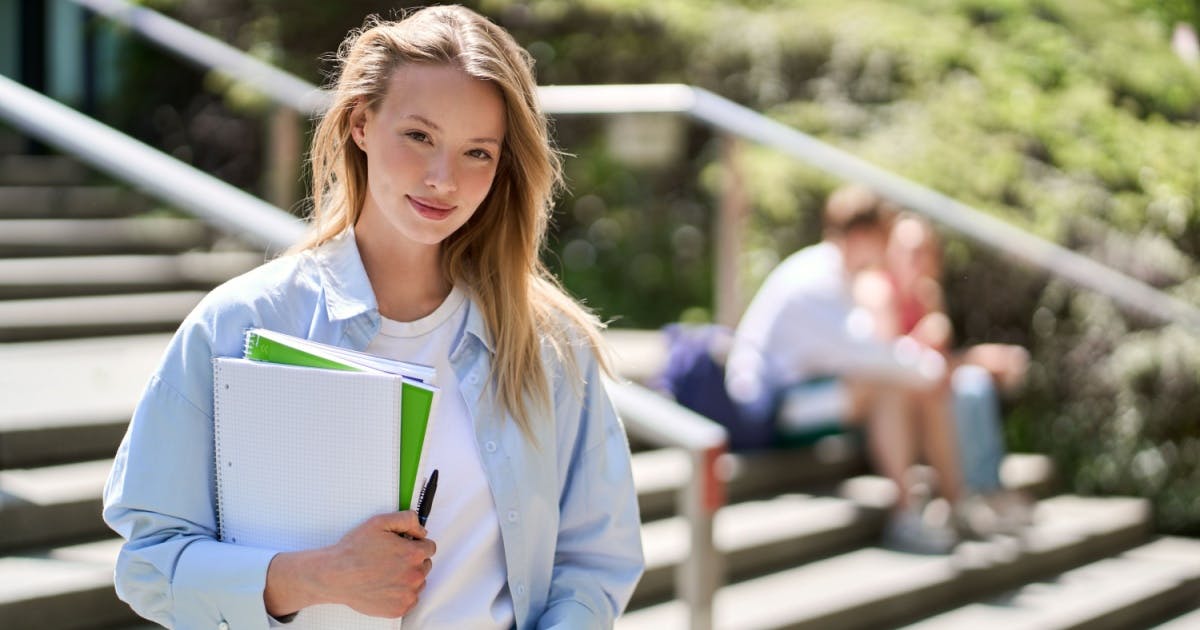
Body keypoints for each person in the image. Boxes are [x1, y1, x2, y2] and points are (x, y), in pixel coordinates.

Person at [102, 7, 644, 629]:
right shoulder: (239, 326)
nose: (444, 179)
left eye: (477, 153)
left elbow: (596, 561)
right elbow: (148, 564)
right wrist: (317, 576)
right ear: (361, 122)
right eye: (419, 136)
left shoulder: (549, 346)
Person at [724, 185, 965, 554]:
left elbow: (868, 350)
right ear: (863, 236)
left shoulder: (833, 273)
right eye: (883, 237)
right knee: (889, 387)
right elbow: (868, 354)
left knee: (898, 385)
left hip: (804, 394)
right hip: (770, 410)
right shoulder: (814, 281)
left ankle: (947, 502)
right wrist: (931, 369)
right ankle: (910, 509)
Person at [857, 212, 1031, 533]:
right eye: (909, 250)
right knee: (965, 390)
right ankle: (969, 494)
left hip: (928, 386)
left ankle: (983, 489)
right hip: (891, 398)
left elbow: (941, 363)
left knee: (974, 384)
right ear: (890, 250)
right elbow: (887, 361)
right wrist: (930, 340)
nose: (917, 259)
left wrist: (983, 360)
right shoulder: (878, 291)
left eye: (924, 250)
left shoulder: (927, 295)